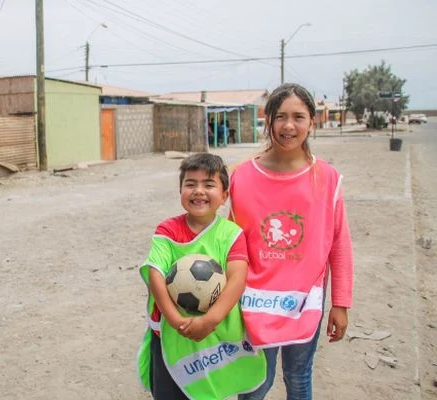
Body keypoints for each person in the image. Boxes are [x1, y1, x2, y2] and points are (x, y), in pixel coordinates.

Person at [229, 83, 354, 400]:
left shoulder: (326, 178)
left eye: (298, 116)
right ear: (267, 120)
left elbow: (338, 244)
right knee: (256, 382)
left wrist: (340, 303)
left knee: (298, 378)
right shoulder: (242, 177)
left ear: (312, 121)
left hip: (305, 301)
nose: (288, 126)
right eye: (280, 116)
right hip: (255, 301)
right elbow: (229, 242)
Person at [137, 153, 266, 400]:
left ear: (224, 195)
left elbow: (237, 278)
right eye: (190, 184)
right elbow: (155, 274)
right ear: (180, 190)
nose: (199, 191)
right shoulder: (167, 230)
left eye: (208, 185)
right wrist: (175, 319)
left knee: (208, 392)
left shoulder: (231, 234)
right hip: (170, 333)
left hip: (213, 335)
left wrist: (210, 320)